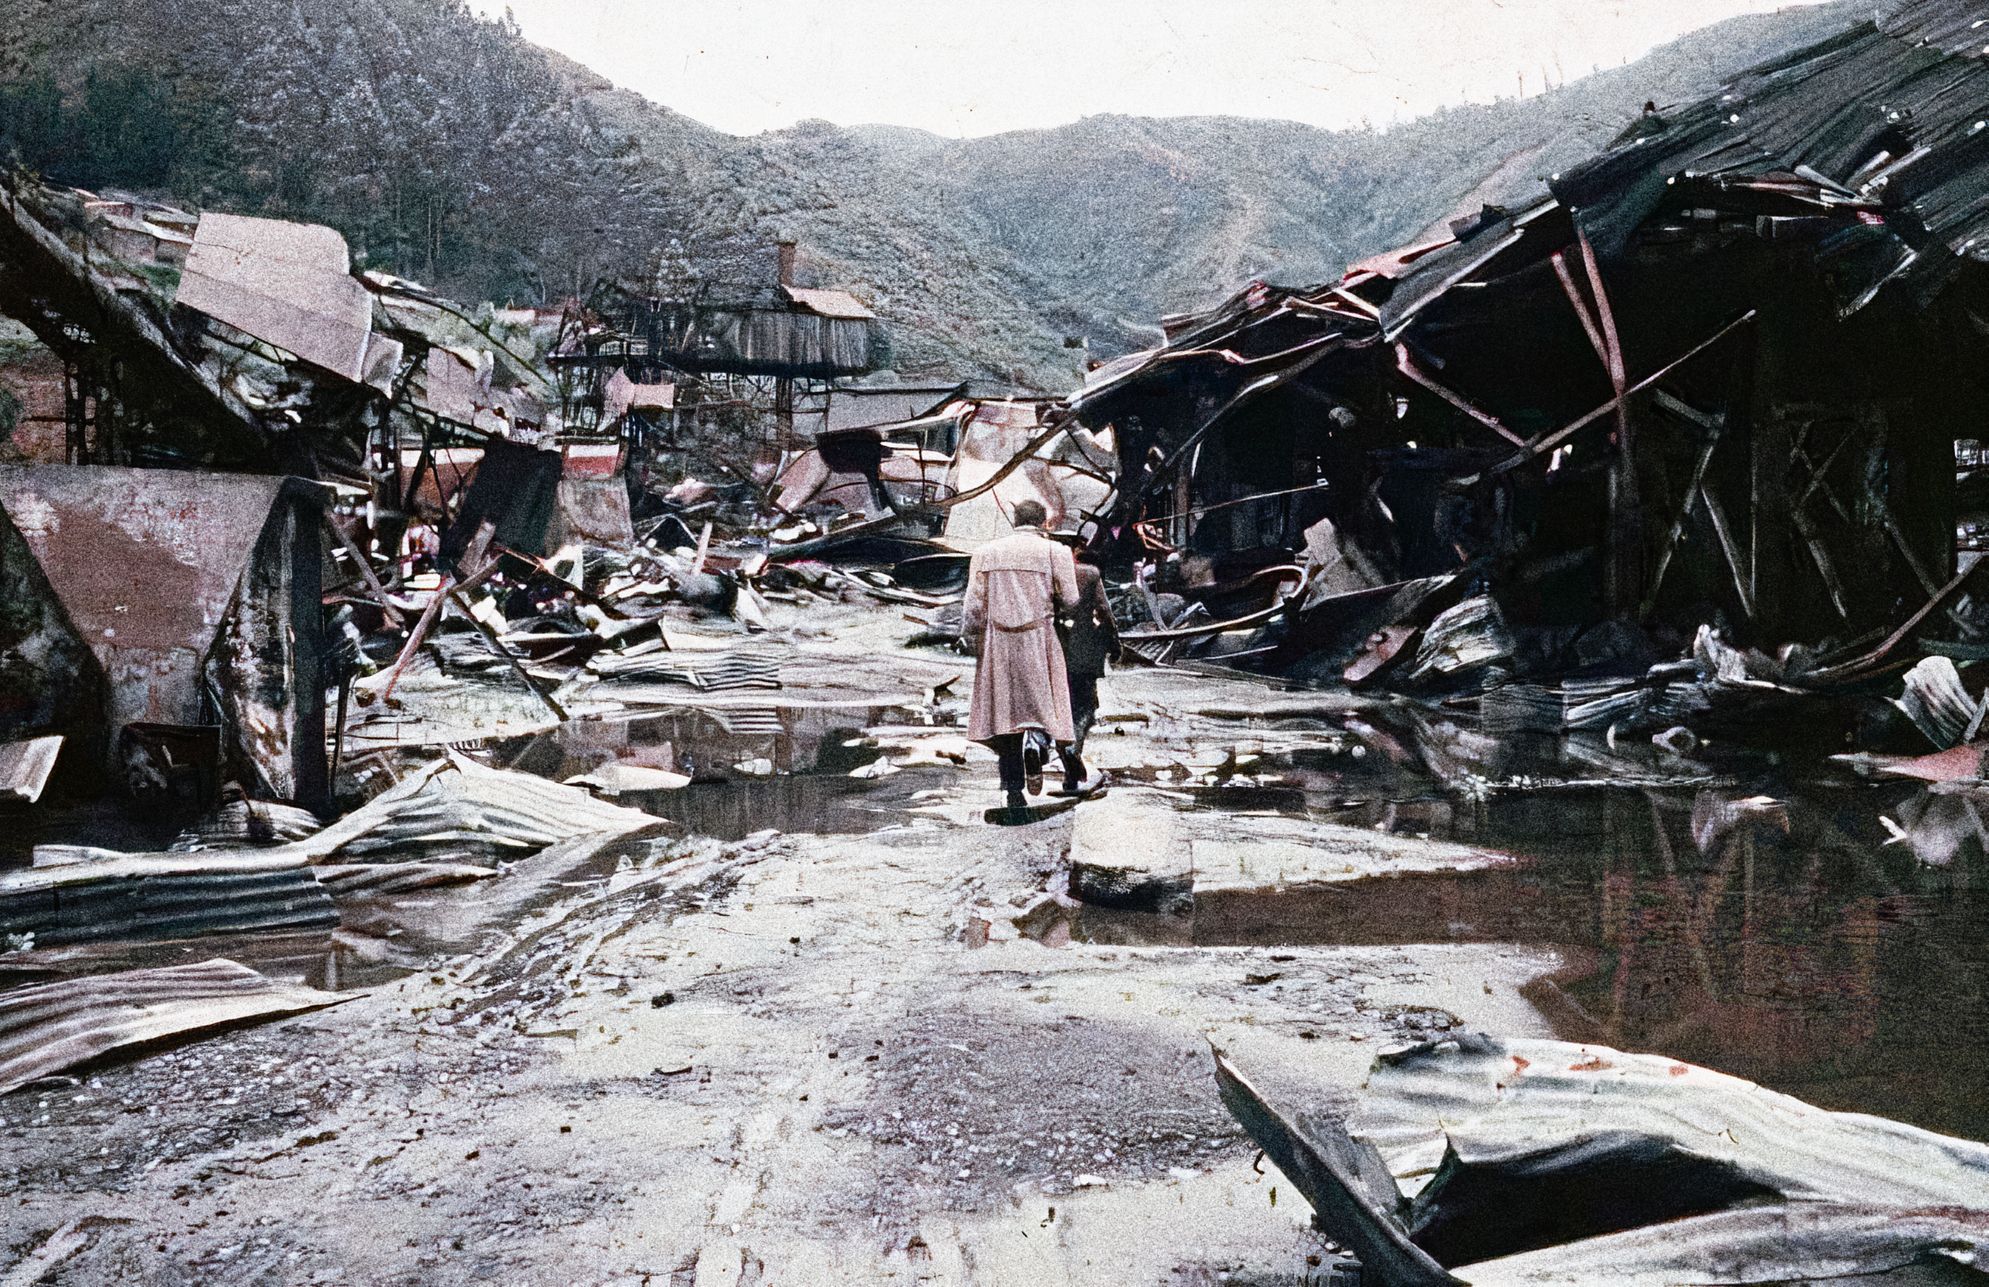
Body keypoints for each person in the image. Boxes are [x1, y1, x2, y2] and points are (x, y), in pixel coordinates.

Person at [961, 499, 1079, 811]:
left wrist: (969, 636)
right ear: (1044, 523)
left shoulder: (986, 552)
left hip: (999, 641)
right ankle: (1039, 746)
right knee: (1046, 705)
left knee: (1005, 715)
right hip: (1038, 636)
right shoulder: (1056, 552)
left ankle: (1013, 790)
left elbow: (973, 606)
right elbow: (1071, 599)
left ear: (1015, 520)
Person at [1053, 540, 1119, 795]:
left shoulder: (1051, 575)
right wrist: (1115, 643)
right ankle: (1073, 749)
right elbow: (1103, 610)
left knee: (1061, 707)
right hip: (1085, 648)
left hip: (1055, 647)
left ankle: (1067, 760)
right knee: (1086, 707)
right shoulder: (1090, 574)